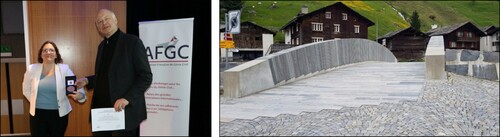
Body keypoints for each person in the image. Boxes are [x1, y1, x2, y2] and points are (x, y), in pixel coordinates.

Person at [76, 9, 152, 136]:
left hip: (124, 112)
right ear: (98, 28)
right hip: (101, 112)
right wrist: (87, 80)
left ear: (116, 20)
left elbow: (145, 76)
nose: (104, 23)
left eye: (107, 19)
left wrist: (127, 98)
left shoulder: (132, 42)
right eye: (99, 22)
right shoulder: (101, 47)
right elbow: (107, 75)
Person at [22, 41, 86, 136]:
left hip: (58, 115)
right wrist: (34, 101)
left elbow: (76, 86)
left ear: (56, 55)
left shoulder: (64, 69)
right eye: (45, 50)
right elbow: (26, 89)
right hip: (37, 114)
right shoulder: (32, 69)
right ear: (41, 54)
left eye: (51, 50)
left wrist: (80, 96)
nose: (48, 52)